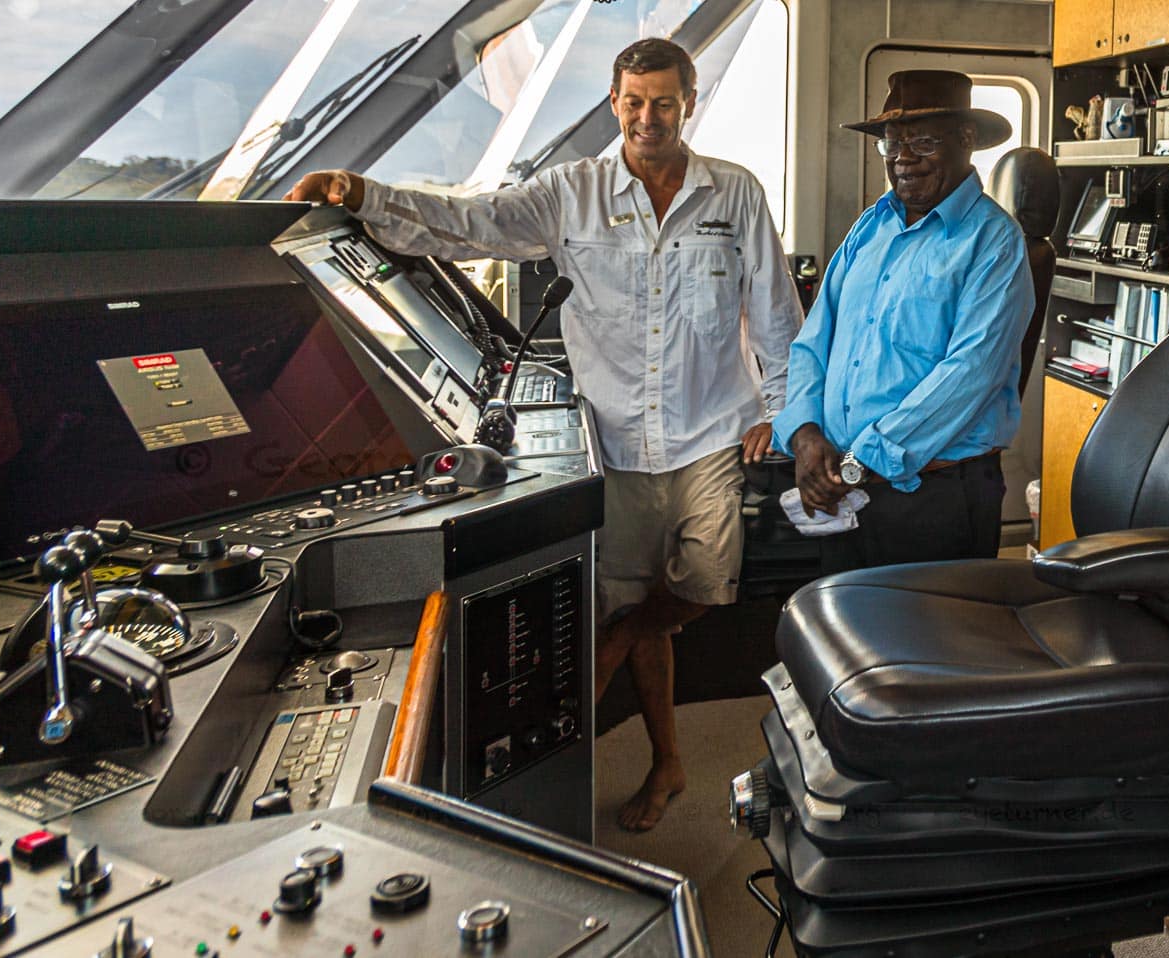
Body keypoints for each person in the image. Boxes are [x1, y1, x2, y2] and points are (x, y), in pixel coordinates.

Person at [285, 38, 802, 831]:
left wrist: (781, 411)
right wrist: (363, 194)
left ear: (689, 103)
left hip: (710, 434)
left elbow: (775, 313)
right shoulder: (570, 192)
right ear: (615, 101)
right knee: (632, 601)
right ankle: (665, 763)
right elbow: (471, 223)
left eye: (664, 102)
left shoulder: (734, 192)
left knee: (702, 585)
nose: (648, 117)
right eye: (634, 102)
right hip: (615, 439)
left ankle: (605, 665)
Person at [770, 70, 1035, 573]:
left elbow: (970, 373)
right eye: (891, 144)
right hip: (842, 485)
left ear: (966, 140)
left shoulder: (994, 240)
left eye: (923, 143)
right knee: (843, 618)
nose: (902, 159)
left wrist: (860, 461)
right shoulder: (870, 226)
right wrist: (804, 436)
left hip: (933, 495)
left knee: (926, 624)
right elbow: (813, 341)